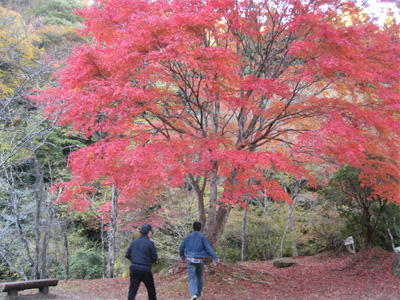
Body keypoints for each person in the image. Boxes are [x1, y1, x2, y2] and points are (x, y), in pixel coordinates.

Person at [179, 221, 219, 300]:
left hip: (190, 260)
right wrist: (215, 258)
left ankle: (194, 294)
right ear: (201, 228)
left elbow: (181, 247)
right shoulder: (203, 237)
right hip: (200, 260)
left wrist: (182, 256)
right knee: (199, 277)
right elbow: (208, 248)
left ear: (193, 228)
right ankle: (198, 294)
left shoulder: (188, 237)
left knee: (191, 278)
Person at [125, 224, 158, 300]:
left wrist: (134, 260)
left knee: (132, 291)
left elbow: (127, 255)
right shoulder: (150, 243)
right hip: (146, 269)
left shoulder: (134, 243)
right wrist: (149, 261)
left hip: (134, 268)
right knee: (151, 291)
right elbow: (154, 258)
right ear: (149, 232)